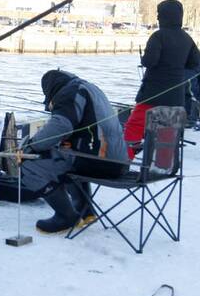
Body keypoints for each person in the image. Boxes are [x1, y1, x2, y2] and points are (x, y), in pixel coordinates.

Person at [20, 70, 128, 233]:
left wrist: (32, 145)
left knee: (28, 163)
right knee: (66, 153)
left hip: (98, 162)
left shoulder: (69, 93)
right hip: (118, 162)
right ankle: (85, 211)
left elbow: (61, 125)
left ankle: (66, 216)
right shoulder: (90, 88)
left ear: (51, 89)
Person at [123, 0, 200, 158]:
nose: (157, 18)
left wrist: (144, 59)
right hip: (175, 95)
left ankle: (125, 159)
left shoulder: (158, 36)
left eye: (159, 15)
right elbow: (195, 62)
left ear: (164, 16)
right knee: (166, 132)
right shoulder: (187, 38)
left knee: (134, 126)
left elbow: (150, 61)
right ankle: (163, 165)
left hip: (152, 94)